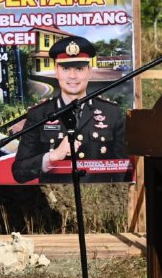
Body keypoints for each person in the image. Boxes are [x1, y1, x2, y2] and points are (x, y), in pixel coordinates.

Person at [11, 35, 127, 183]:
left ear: (89, 71)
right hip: (56, 199)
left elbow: (123, 168)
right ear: (56, 71)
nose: (72, 76)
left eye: (79, 68)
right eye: (66, 68)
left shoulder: (112, 113)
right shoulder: (39, 114)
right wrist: (52, 156)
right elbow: (19, 172)